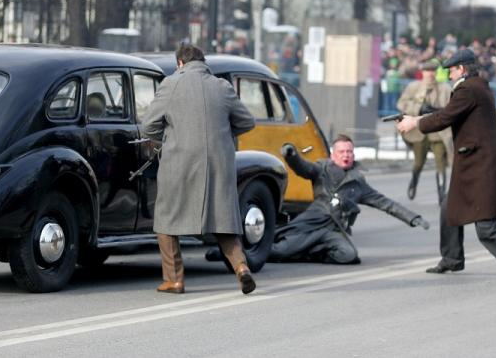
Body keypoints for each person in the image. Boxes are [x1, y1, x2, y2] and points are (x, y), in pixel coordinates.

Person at [397, 49, 496, 284]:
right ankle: (452, 258)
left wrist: (416, 122)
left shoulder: (468, 89)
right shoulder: (475, 87)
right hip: (475, 164)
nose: (449, 75)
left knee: (486, 227)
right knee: (448, 208)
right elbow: (451, 113)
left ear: (461, 69)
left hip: (484, 166)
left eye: (451, 70)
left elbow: (445, 118)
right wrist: (425, 115)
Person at [141, 44, 257, 294]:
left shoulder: (171, 84)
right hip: (218, 164)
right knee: (224, 221)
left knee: (167, 219)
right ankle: (241, 268)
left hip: (179, 162)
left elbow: (148, 126)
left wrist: (169, 138)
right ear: (203, 62)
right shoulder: (222, 86)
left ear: (180, 63)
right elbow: (247, 122)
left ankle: (175, 279)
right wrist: (223, 133)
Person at [269, 135, 429, 265]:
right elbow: (303, 167)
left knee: (348, 255)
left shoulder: (358, 183)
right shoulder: (321, 170)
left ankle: (313, 253)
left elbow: (386, 204)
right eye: (342, 152)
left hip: (333, 230)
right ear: (333, 155)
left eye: (349, 152)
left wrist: (413, 218)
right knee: (278, 251)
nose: (346, 155)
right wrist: (292, 155)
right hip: (312, 223)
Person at [396, 58, 453, 202]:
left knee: (441, 161)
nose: (430, 74)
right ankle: (414, 181)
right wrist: (418, 108)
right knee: (419, 162)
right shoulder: (414, 87)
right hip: (418, 131)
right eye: (427, 71)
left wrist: (438, 111)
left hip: (438, 132)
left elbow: (452, 108)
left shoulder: (445, 88)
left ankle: (442, 194)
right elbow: (402, 104)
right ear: (422, 72)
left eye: (433, 71)